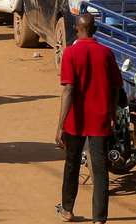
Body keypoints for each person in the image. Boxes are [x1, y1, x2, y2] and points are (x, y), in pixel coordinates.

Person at [55, 13, 123, 224]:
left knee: (72, 163)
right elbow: (115, 88)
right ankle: (99, 217)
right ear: (94, 29)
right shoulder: (106, 53)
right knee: (100, 167)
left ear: (77, 29)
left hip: (76, 119)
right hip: (101, 118)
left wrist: (60, 126)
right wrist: (111, 113)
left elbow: (68, 90)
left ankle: (67, 209)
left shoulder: (71, 53)